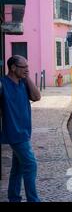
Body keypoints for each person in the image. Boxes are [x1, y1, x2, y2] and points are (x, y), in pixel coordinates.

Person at [0, 55, 41, 202]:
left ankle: (14, 198)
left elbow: (37, 97)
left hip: (25, 132)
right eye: (24, 67)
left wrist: (27, 78)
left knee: (17, 169)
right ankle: (33, 200)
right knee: (31, 165)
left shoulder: (24, 83)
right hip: (14, 133)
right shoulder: (2, 84)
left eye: (28, 67)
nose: (27, 70)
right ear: (13, 68)